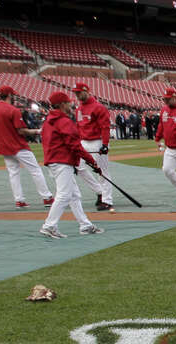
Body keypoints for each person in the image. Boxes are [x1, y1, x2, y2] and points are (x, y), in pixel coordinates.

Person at [39, 91, 103, 238]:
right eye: (68, 103)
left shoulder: (49, 120)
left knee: (74, 195)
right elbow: (75, 146)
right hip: (62, 161)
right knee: (64, 195)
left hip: (54, 160)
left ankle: (85, 225)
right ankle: (49, 226)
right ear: (62, 104)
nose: (70, 105)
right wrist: (92, 162)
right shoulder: (64, 121)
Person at [0, 85, 53, 208]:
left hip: (4, 146)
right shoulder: (13, 110)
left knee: (13, 173)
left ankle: (19, 200)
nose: (14, 97)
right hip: (18, 145)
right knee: (35, 170)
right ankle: (47, 197)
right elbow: (21, 130)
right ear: (9, 95)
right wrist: (37, 131)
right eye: (13, 95)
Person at [72, 83, 114, 212]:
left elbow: (105, 127)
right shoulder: (78, 109)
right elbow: (78, 127)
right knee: (78, 167)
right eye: (76, 93)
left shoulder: (99, 107)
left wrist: (105, 144)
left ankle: (107, 200)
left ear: (87, 91)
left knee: (102, 171)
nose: (77, 95)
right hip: (84, 142)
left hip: (97, 141)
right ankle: (99, 191)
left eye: (79, 92)